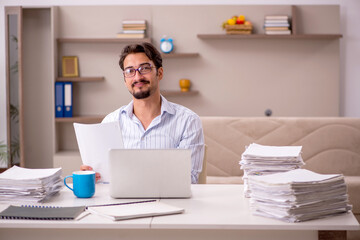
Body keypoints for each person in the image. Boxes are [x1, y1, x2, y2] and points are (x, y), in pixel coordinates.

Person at [81, 42, 204, 184]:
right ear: (125, 79)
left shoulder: (188, 121)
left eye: (144, 68)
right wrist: (93, 176)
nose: (137, 77)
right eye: (130, 71)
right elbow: (104, 182)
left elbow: (188, 180)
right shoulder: (110, 122)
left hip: (169, 203)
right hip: (120, 204)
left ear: (160, 73)